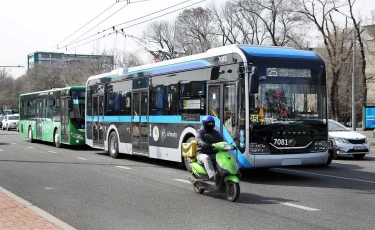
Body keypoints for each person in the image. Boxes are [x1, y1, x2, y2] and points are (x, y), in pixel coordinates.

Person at [196, 115, 224, 182]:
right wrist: (203, 144)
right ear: (204, 123)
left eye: (212, 123)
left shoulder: (216, 132)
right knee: (206, 158)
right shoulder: (200, 132)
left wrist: (227, 144)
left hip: (214, 153)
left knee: (223, 156)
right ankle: (212, 176)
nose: (210, 124)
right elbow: (198, 140)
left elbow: (222, 140)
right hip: (202, 153)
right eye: (209, 123)